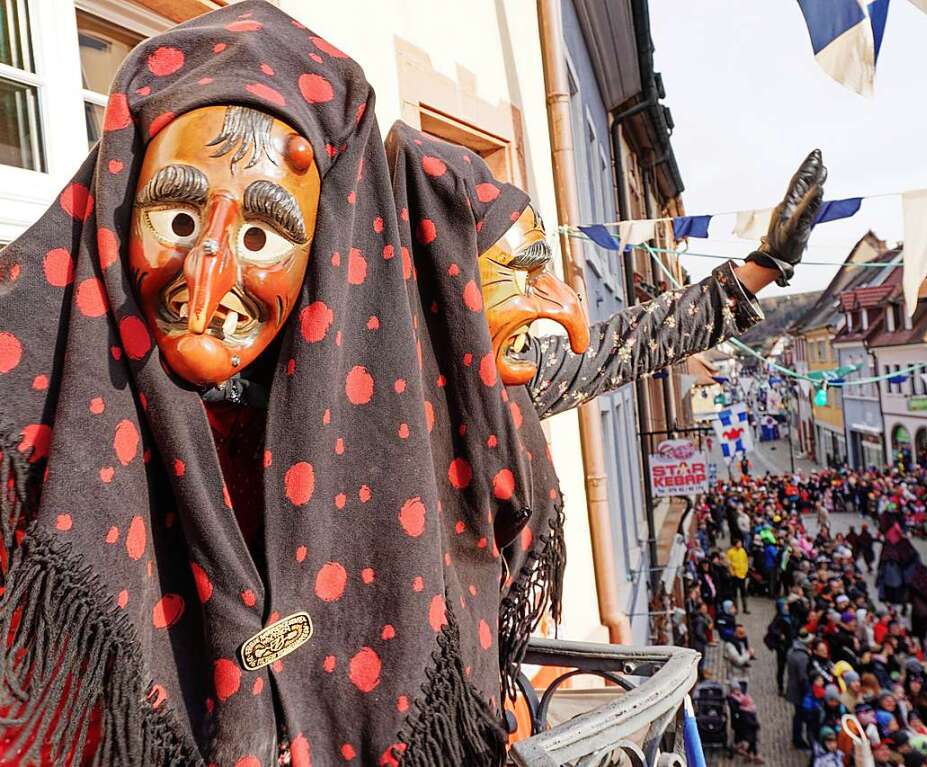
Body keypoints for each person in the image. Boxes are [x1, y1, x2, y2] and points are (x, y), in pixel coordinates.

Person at [0, 1, 830, 763]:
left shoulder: (408, 398)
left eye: (262, 231)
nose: (209, 276)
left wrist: (751, 277)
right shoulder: (62, 397)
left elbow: (599, 355)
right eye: (177, 219)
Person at [785, 629, 813, 750]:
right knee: (800, 716)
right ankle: (798, 739)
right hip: (800, 691)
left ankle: (797, 738)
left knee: (798, 715)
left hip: (793, 686)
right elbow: (803, 677)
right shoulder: (802, 657)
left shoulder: (792, 650)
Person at [726, 537, 751, 614]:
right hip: (735, 575)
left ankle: (745, 608)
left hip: (742, 574)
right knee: (734, 593)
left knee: (743, 592)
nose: (740, 544)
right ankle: (735, 609)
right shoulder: (730, 552)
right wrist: (731, 572)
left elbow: (746, 561)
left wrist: (746, 570)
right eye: (739, 543)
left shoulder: (742, 551)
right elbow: (728, 564)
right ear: (735, 544)